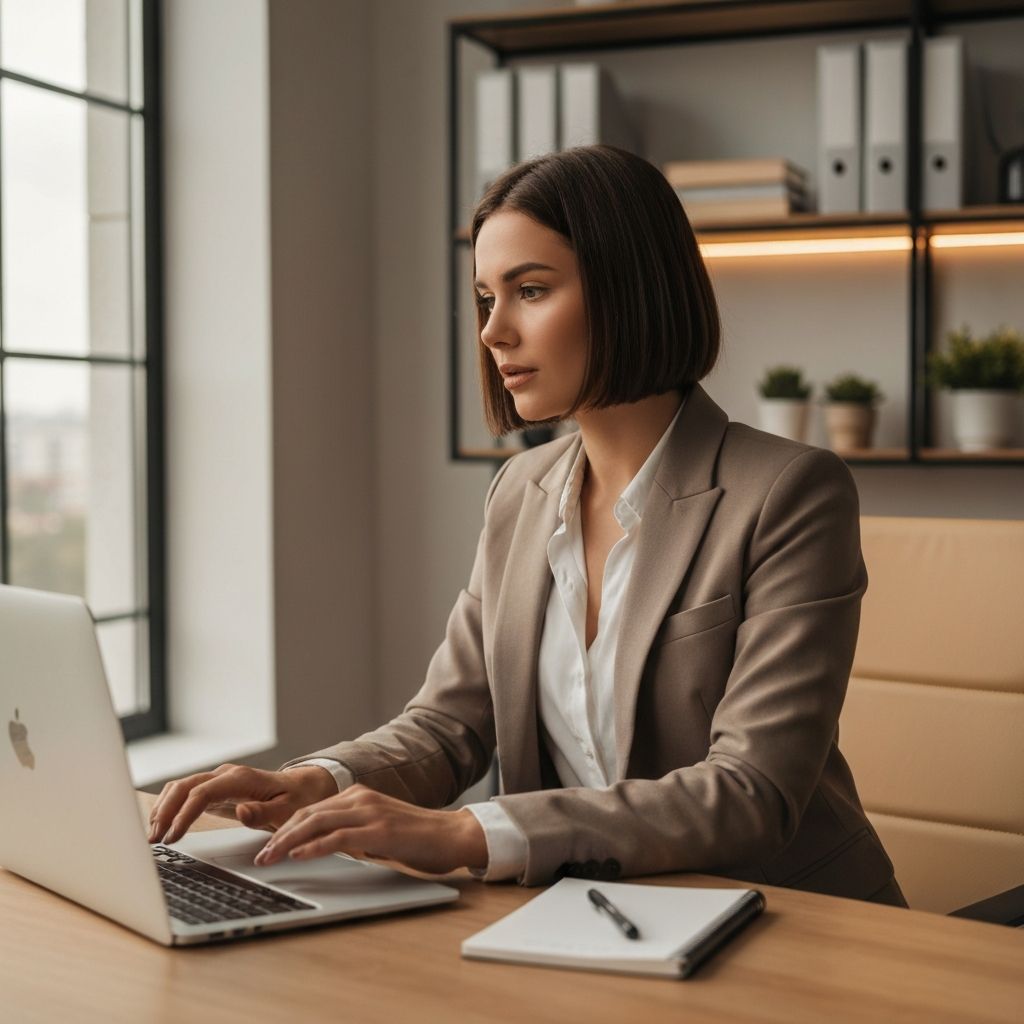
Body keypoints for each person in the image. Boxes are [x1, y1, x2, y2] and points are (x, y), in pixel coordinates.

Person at [149, 145, 906, 906]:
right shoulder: (520, 489)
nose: (493, 332)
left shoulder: (788, 493)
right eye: (486, 299)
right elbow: (450, 723)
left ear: (630, 290)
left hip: (787, 919)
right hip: (592, 918)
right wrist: (316, 780)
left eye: (531, 290)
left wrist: (470, 833)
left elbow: (751, 792)